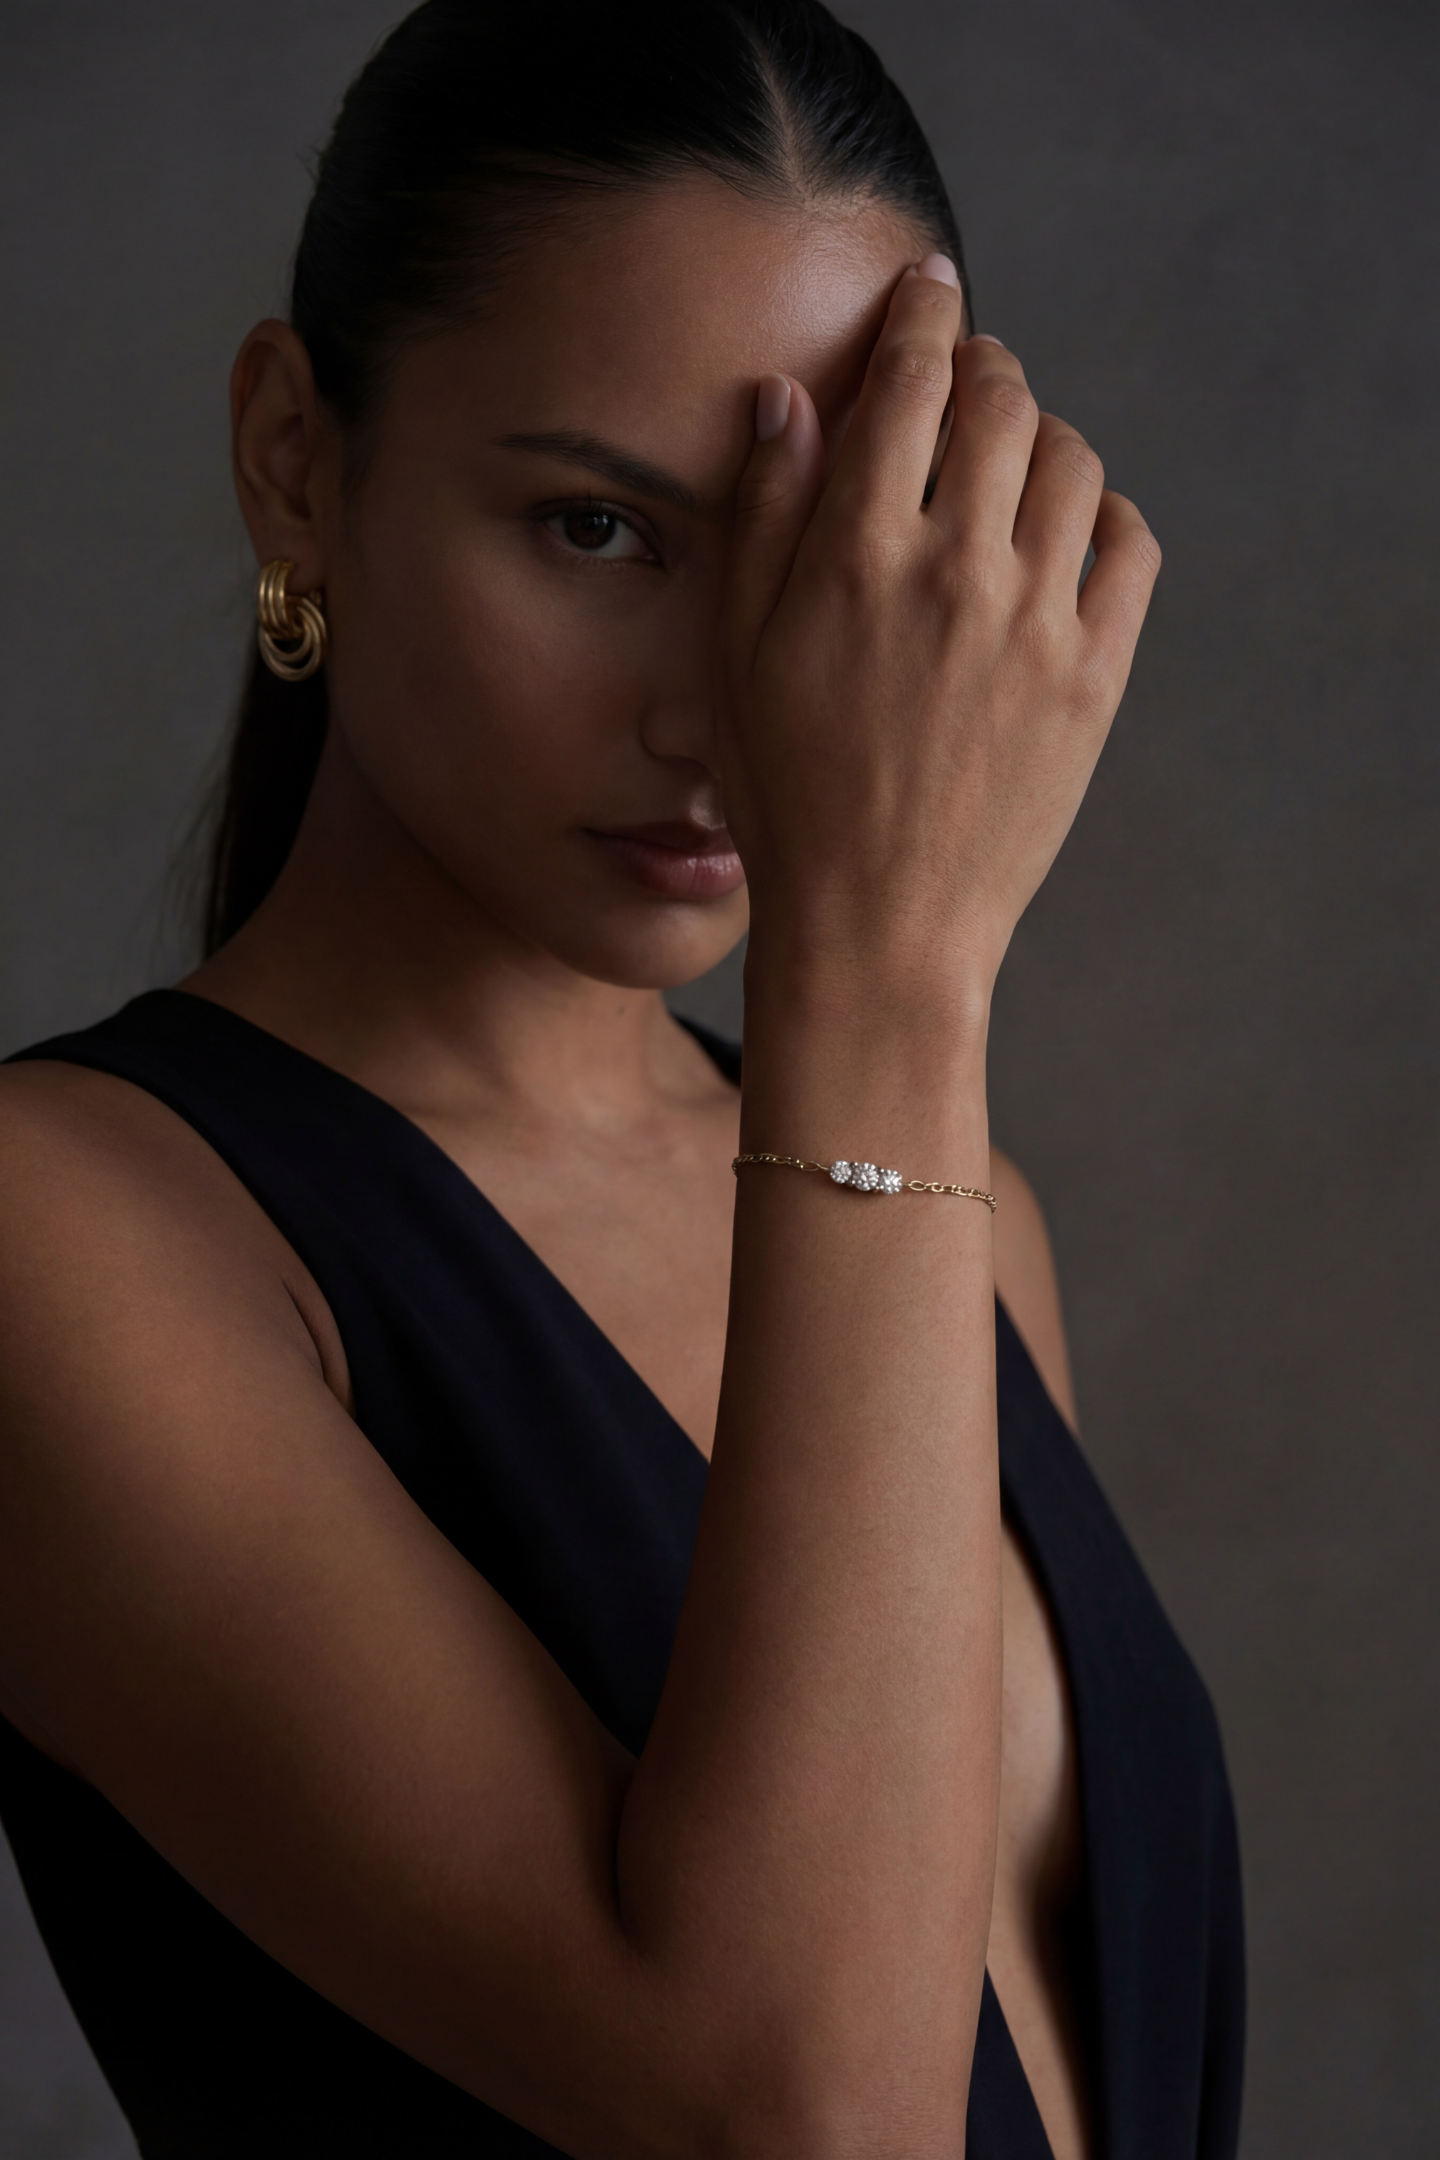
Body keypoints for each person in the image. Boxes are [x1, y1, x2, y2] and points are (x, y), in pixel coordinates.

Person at [0, 3, 1243, 2156]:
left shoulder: (964, 1223)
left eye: (817, 553)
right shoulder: (67, 1245)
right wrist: (894, 951)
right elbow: (810, 2112)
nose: (730, 708)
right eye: (598, 530)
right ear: (296, 454)